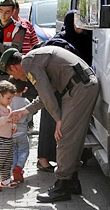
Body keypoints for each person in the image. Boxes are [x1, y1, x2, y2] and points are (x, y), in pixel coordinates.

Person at [0, 47, 99, 203]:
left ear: (13, 67)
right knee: (74, 139)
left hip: (79, 89)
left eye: (12, 74)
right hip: (81, 87)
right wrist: (24, 111)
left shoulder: (29, 63)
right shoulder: (35, 59)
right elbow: (45, 96)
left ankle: (62, 186)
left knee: (64, 137)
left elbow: (47, 95)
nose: (17, 78)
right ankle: (72, 182)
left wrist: (58, 119)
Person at [37, 9, 93, 171]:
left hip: (75, 88)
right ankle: (43, 160)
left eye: (80, 21)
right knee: (50, 120)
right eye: (75, 22)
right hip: (55, 86)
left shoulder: (86, 38)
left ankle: (75, 157)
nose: (79, 25)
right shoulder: (60, 40)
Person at [0, 77, 32, 183]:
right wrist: (6, 119)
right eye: (9, 98)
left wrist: (13, 125)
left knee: (8, 161)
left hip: (8, 139)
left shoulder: (8, 108)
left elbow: (8, 121)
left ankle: (5, 179)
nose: (11, 101)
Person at [12, 1, 39, 132]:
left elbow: (35, 43)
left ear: (17, 9)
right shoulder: (1, 26)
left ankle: (28, 122)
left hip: (26, 68)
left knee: (29, 93)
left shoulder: (26, 24)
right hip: (11, 69)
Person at [0, 0, 25, 82]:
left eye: (7, 12)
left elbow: (15, 50)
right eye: (1, 11)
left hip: (11, 72)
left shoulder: (18, 29)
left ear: (13, 12)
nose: (3, 15)